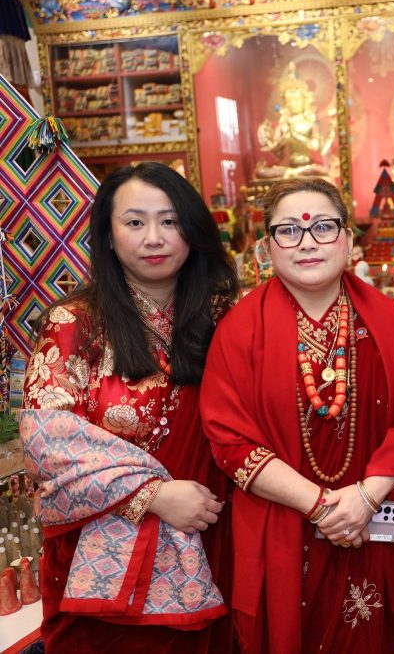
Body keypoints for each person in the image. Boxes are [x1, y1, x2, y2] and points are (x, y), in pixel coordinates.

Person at [201, 177, 394, 654]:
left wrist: (366, 497)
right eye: (289, 230)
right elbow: (229, 440)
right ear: (266, 247)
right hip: (284, 526)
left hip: (377, 518)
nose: (307, 242)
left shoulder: (390, 320)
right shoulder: (239, 330)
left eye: (323, 227)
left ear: (349, 240)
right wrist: (321, 506)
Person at [20, 162, 239, 653]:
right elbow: (48, 445)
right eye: (135, 222)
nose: (154, 238)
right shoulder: (75, 323)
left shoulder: (225, 316)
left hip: (214, 530)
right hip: (105, 556)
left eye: (170, 221)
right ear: (109, 233)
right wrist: (152, 494)